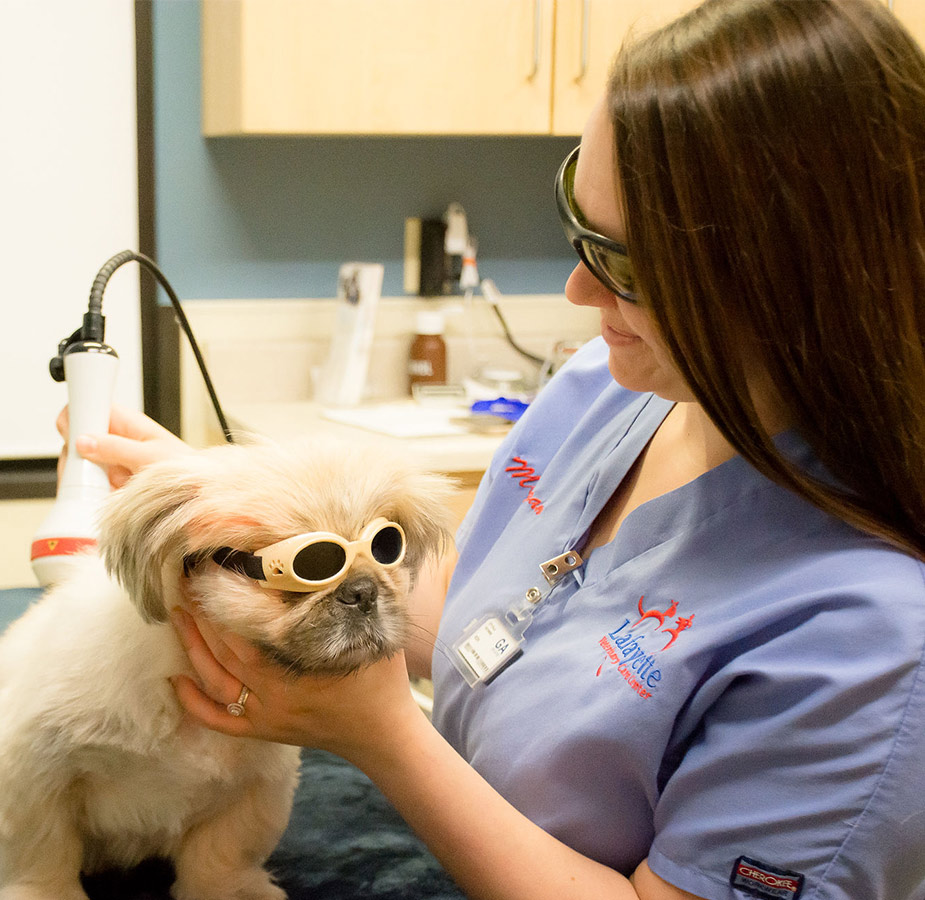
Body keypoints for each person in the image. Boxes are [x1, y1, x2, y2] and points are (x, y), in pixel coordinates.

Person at [61, 1, 925, 897]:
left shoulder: (869, 636)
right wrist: (245, 517)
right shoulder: (611, 384)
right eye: (575, 224)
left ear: (799, 282)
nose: (575, 288)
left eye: (627, 266)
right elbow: (486, 606)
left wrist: (382, 733)